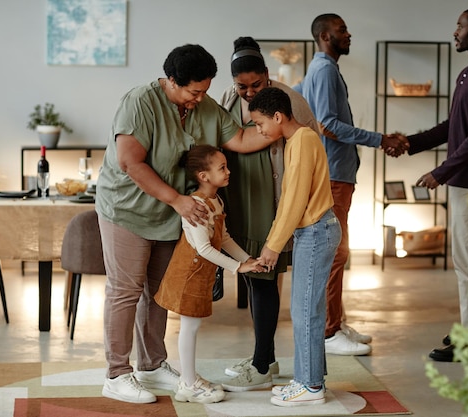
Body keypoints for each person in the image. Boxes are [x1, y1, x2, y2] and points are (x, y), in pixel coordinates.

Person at [96, 44, 272, 404]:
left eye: (205, 90)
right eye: (194, 91)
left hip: (170, 215)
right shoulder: (140, 103)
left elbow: (239, 139)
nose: (200, 98)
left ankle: (152, 364)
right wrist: (178, 200)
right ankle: (116, 373)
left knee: (158, 292)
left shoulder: (202, 105)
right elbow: (131, 162)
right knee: (125, 290)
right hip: (127, 210)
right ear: (171, 81)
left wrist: (287, 128)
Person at [398, 6, 468, 362]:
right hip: (464, 182)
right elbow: (453, 127)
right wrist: (410, 143)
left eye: (459, 26)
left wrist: (441, 171)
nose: (454, 31)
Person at [295, 13, 408, 356]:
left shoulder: (319, 68)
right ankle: (329, 332)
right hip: (332, 174)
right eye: (342, 29)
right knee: (335, 253)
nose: (349, 34)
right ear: (325, 35)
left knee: (338, 251)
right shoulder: (325, 69)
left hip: (336, 172)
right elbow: (328, 124)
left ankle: (334, 322)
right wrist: (379, 138)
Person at [217, 36, 319, 392]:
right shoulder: (228, 100)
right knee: (250, 272)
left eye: (255, 84)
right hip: (240, 199)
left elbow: (309, 140)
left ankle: (262, 363)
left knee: (263, 277)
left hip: (271, 202)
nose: (248, 92)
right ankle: (267, 357)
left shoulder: (289, 100)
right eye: (241, 86)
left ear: (267, 74)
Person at [251, 87, 342, 407]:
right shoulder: (296, 141)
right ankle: (309, 378)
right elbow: (289, 200)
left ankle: (311, 385)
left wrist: (273, 246)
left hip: (317, 232)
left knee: (305, 312)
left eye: (260, 124)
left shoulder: (302, 141)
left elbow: (294, 199)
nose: (259, 131)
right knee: (306, 310)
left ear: (278, 117)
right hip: (312, 232)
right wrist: (273, 242)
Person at [154, 145, 264, 403]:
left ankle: (189, 379)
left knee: (193, 327)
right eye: (222, 168)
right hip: (188, 275)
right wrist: (238, 268)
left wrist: (246, 259)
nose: (228, 171)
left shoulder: (216, 201)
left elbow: (223, 238)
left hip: (201, 275)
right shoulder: (197, 206)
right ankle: (188, 385)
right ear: (203, 176)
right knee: (189, 328)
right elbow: (203, 249)